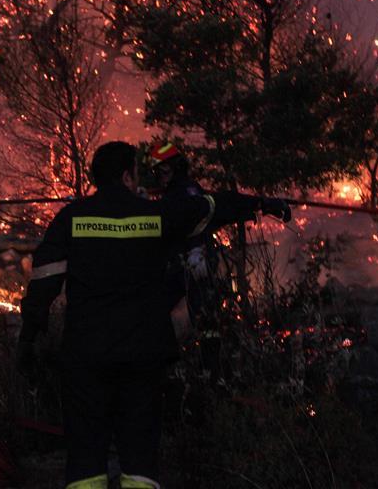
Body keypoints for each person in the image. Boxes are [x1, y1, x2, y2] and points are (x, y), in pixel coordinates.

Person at [16, 141, 290, 489]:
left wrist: (28, 338)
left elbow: (43, 283)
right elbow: (211, 206)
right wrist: (261, 204)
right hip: (142, 358)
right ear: (129, 175)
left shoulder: (72, 219)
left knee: (85, 462)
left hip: (86, 357)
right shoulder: (156, 216)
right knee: (140, 462)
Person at [147, 141, 291, 378]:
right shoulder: (179, 194)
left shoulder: (185, 196)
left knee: (198, 322)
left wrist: (262, 204)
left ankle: (200, 373)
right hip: (186, 265)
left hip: (192, 265)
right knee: (186, 319)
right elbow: (223, 202)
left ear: (174, 167)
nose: (158, 176)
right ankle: (199, 372)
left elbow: (223, 204)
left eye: (161, 170)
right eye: (155, 172)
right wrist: (263, 204)